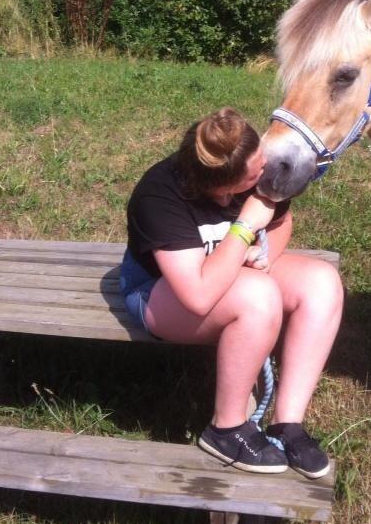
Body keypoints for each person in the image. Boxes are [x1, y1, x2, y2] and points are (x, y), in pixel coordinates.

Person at [121, 106, 344, 478]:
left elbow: (280, 220)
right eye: (254, 175)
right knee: (258, 297)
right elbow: (198, 296)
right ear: (222, 189)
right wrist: (243, 228)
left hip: (229, 274)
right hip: (157, 290)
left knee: (322, 284)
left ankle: (287, 424)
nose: (265, 173)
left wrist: (265, 258)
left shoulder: (259, 169)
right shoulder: (159, 196)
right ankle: (225, 429)